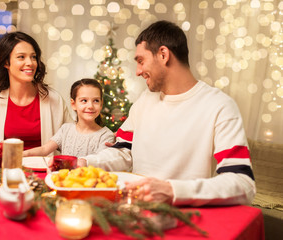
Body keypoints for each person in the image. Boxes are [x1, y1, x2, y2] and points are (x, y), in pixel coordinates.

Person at [78, 20, 256, 206]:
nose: (138, 71)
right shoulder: (145, 101)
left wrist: (171, 190)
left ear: (163, 54)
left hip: (183, 217)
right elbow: (123, 151)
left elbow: (243, 183)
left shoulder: (219, 106)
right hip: (136, 212)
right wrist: (84, 163)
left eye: (141, 61)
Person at [23, 78, 115, 157]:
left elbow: (99, 163)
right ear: (73, 104)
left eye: (96, 100)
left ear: (101, 104)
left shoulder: (106, 136)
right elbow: (44, 150)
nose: (90, 106)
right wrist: (23, 154)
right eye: (84, 100)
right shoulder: (66, 129)